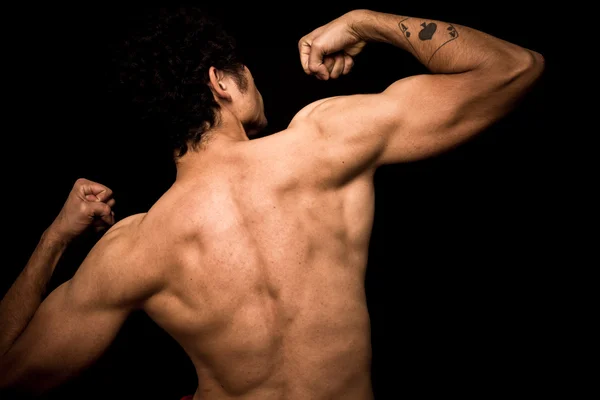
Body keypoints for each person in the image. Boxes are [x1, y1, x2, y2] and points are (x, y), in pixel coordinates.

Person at [0, 7, 544, 400]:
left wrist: (54, 239)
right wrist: (360, 22)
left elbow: (10, 374)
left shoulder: (134, 247)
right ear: (220, 82)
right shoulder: (326, 142)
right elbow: (513, 68)